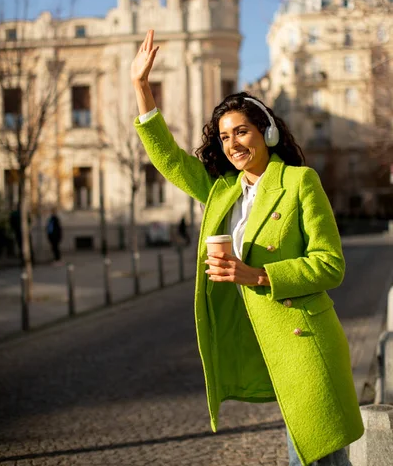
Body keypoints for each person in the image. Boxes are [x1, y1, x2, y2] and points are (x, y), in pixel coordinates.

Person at [131, 30, 363, 466]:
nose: (233, 144)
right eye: (224, 137)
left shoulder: (299, 182)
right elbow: (169, 159)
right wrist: (141, 87)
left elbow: (331, 265)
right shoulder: (222, 191)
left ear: (267, 132)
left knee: (317, 458)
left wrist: (256, 275)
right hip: (262, 341)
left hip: (305, 340)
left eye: (242, 131)